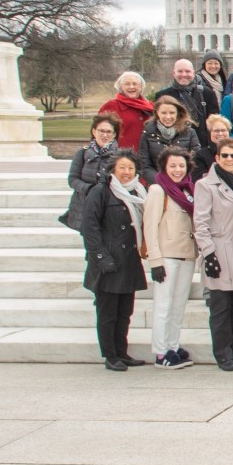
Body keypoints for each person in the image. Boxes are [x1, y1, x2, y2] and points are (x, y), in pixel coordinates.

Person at [193, 137, 233, 370]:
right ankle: (223, 353)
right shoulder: (204, 185)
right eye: (225, 156)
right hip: (220, 251)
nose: (229, 159)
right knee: (220, 307)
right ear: (217, 158)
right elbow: (200, 222)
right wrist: (208, 253)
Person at [80, 149, 148, 371]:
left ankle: (121, 351)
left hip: (129, 260)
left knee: (124, 311)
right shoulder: (101, 192)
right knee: (108, 312)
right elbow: (89, 227)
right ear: (113, 170)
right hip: (108, 262)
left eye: (130, 168)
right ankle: (110, 355)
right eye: (122, 168)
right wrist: (101, 257)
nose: (127, 172)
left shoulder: (138, 192)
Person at [142, 147, 199, 369]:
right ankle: (160, 351)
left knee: (178, 305)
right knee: (164, 305)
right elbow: (150, 226)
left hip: (186, 254)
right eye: (172, 165)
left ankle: (173, 345)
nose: (177, 170)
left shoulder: (188, 190)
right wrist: (155, 260)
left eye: (181, 166)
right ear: (164, 167)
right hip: (166, 256)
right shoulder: (158, 190)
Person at [61, 113, 121, 230]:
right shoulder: (82, 153)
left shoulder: (120, 156)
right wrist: (89, 189)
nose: (105, 135)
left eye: (109, 132)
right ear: (94, 132)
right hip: (85, 205)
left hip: (110, 207)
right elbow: (73, 179)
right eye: (101, 131)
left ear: (114, 135)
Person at [137, 96, 201, 186]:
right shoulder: (147, 133)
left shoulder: (190, 133)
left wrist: (182, 180)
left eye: (172, 113)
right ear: (157, 113)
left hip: (184, 184)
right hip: (157, 185)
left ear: (177, 113)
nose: (168, 117)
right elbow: (144, 165)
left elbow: (195, 161)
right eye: (164, 113)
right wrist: (162, 182)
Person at [155, 58, 218, 135]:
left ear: (193, 73)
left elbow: (214, 123)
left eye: (187, 71)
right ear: (173, 73)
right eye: (180, 71)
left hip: (202, 143)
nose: (184, 74)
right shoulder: (163, 96)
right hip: (174, 142)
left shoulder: (207, 94)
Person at [100, 71, 154, 152]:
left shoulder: (150, 106)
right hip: (121, 157)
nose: (131, 87)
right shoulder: (111, 106)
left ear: (141, 87)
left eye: (135, 84)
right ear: (121, 87)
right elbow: (101, 133)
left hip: (147, 157)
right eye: (127, 84)